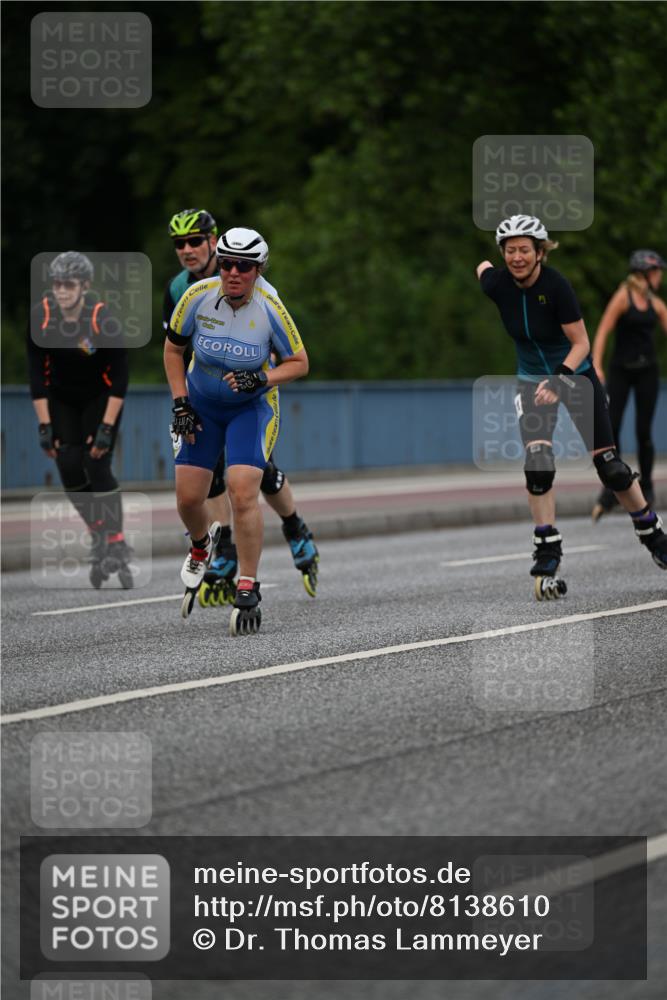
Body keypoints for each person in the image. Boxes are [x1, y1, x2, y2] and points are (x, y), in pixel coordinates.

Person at [476, 215, 667, 599]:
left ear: (540, 252)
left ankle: (653, 533)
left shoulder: (557, 286)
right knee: (538, 465)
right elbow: (482, 269)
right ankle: (546, 548)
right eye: (509, 250)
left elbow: (580, 342)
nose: (516, 257)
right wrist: (485, 267)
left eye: (524, 250)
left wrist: (560, 379)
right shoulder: (497, 284)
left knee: (610, 468)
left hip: (575, 377)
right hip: (532, 382)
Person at [165, 208, 318, 602]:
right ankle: (202, 545)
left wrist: (261, 377)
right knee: (187, 498)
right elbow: (172, 349)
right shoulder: (194, 295)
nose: (234, 273)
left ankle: (248, 582)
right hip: (201, 405)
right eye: (228, 264)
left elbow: (300, 362)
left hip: (250, 407)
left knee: (243, 489)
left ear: (259, 270)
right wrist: (181, 403)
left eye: (244, 267)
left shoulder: (270, 307)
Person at [27, 251, 133, 588]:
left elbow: (119, 377)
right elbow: (37, 377)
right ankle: (98, 532)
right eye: (56, 284)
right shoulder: (41, 318)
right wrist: (45, 426)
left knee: (96, 462)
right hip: (61, 399)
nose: (61, 291)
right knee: (69, 464)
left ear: (84, 286)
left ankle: (116, 538)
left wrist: (105, 428)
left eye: (69, 285)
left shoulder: (102, 318)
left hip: (100, 397)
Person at [591, 248, 667, 519]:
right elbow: (603, 330)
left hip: (647, 371)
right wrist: (597, 365)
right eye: (657, 271)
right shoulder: (623, 297)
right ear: (645, 273)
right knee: (611, 428)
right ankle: (612, 488)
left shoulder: (656, 304)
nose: (660, 277)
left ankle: (646, 487)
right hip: (620, 370)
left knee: (643, 432)